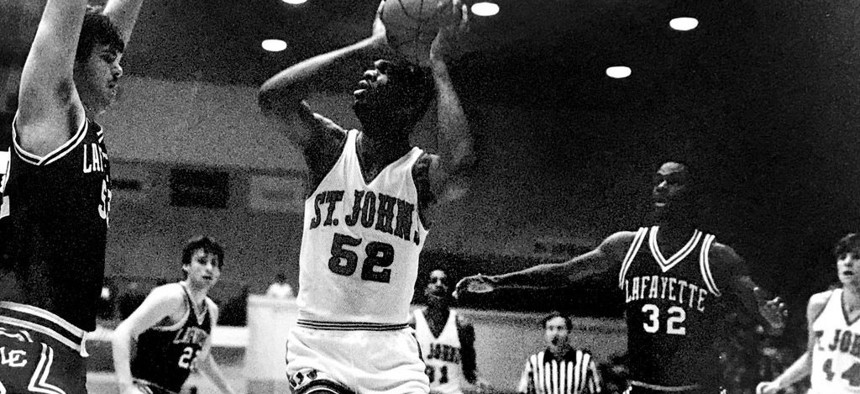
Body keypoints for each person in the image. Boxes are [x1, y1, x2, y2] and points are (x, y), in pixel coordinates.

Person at [257, 0, 472, 392]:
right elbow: (272, 98)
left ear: (409, 102)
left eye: (382, 71)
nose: (369, 73)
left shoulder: (420, 174)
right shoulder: (329, 148)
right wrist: (369, 47)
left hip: (391, 351)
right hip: (320, 343)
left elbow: (461, 167)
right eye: (371, 68)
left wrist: (439, 67)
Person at [456, 161, 788, 394]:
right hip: (642, 386)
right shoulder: (626, 245)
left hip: (697, 388)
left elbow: (765, 314)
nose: (661, 186)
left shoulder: (715, 256)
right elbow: (563, 273)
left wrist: (773, 321)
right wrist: (498, 281)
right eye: (658, 179)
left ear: (692, 194)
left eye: (673, 182)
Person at [0, 0, 144, 392]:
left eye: (120, 59)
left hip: (61, 344)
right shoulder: (53, 114)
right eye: (107, 59)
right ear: (73, 62)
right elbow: (63, 21)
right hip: (25, 337)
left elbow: (103, 32)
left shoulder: (82, 127)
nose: (118, 69)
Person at [112, 236, 237, 394]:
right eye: (202, 261)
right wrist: (126, 387)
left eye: (215, 264)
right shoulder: (173, 297)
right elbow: (122, 332)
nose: (209, 268)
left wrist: (228, 391)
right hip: (144, 387)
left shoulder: (211, 310)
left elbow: (202, 358)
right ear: (186, 265)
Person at [756, 233, 860, 394]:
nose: (847, 262)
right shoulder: (820, 303)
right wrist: (777, 384)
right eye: (842, 257)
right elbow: (811, 357)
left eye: (856, 257)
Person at [411, 269, 491, 394]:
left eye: (444, 282)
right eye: (433, 281)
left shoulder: (462, 326)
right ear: (425, 290)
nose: (439, 285)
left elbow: (470, 370)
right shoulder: (412, 323)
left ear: (450, 291)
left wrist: (480, 381)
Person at [517, 312, 602, 394]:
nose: (555, 333)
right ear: (545, 333)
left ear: (568, 331)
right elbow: (524, 391)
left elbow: (596, 391)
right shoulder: (534, 362)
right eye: (550, 328)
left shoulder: (585, 361)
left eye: (560, 328)